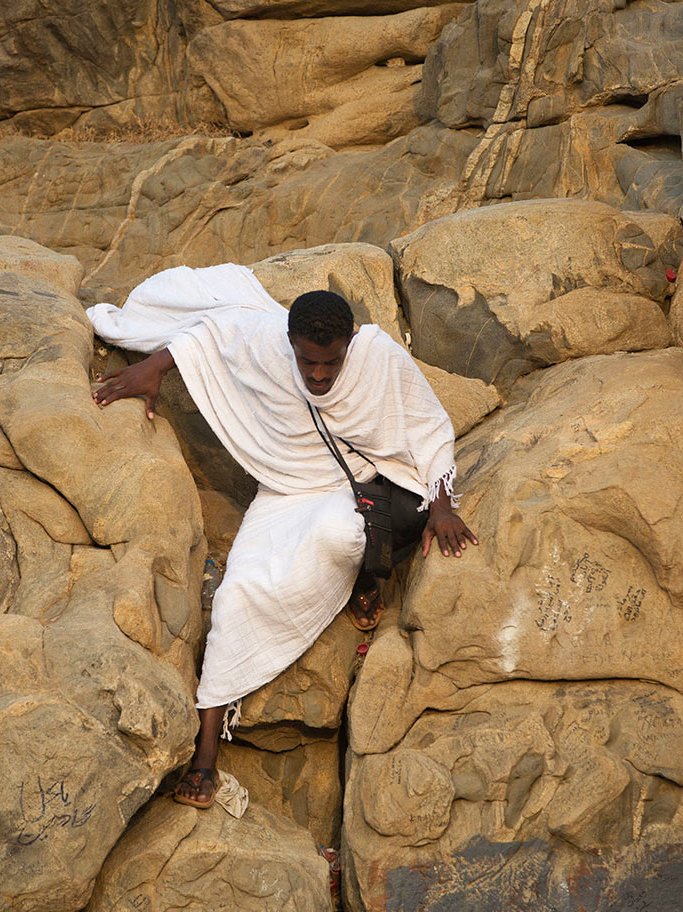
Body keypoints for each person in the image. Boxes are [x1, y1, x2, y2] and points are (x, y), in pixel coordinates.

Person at [88, 264, 477, 807]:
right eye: (307, 361)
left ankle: (369, 576)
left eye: (330, 362)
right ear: (290, 341)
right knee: (240, 593)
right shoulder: (267, 343)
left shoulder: (379, 355)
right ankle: (205, 760)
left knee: (349, 532)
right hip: (290, 487)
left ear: (349, 344)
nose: (318, 375)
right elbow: (211, 334)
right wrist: (153, 367)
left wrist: (442, 505)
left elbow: (429, 426)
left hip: (365, 486)